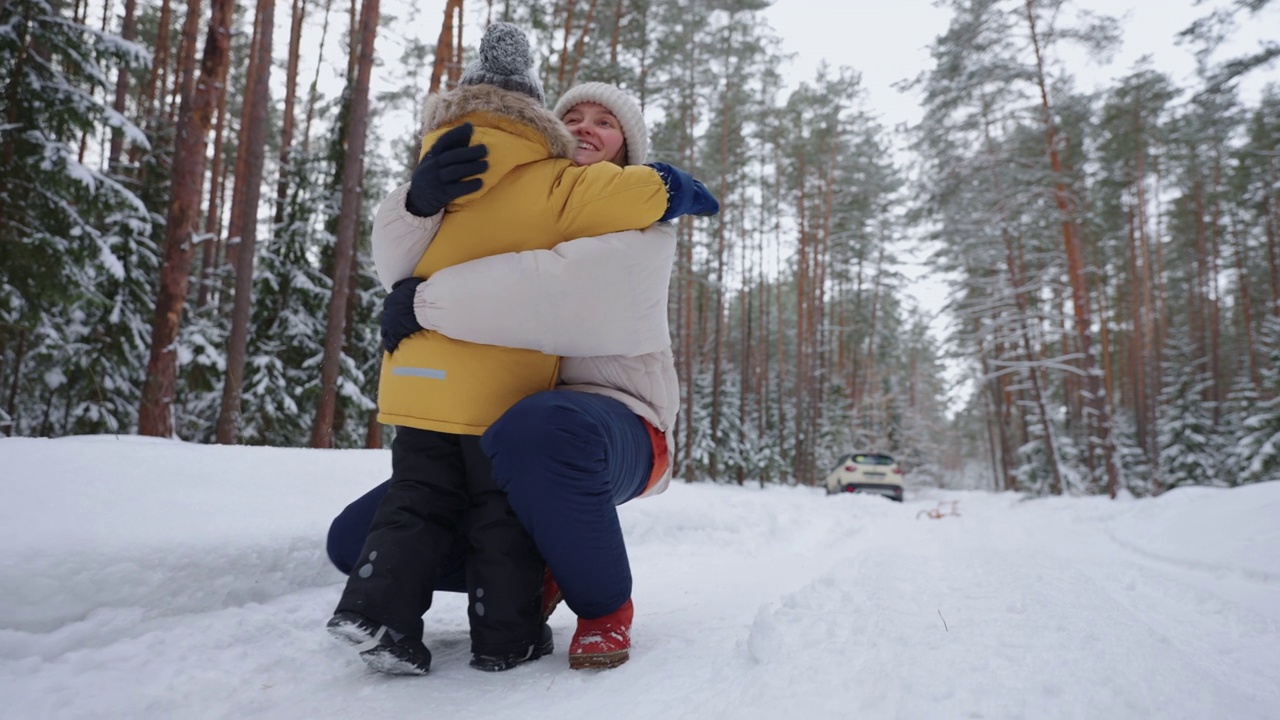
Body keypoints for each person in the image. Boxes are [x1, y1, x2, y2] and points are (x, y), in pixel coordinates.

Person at [326, 23, 717, 677]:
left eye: (605, 123)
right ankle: (527, 575)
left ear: (628, 150)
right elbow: (401, 261)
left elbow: (547, 297)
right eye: (573, 116)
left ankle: (603, 607)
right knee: (356, 536)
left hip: (614, 424)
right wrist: (419, 202)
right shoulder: (517, 199)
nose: (587, 127)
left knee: (535, 429)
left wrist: (419, 303)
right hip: (495, 426)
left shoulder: (643, 226)